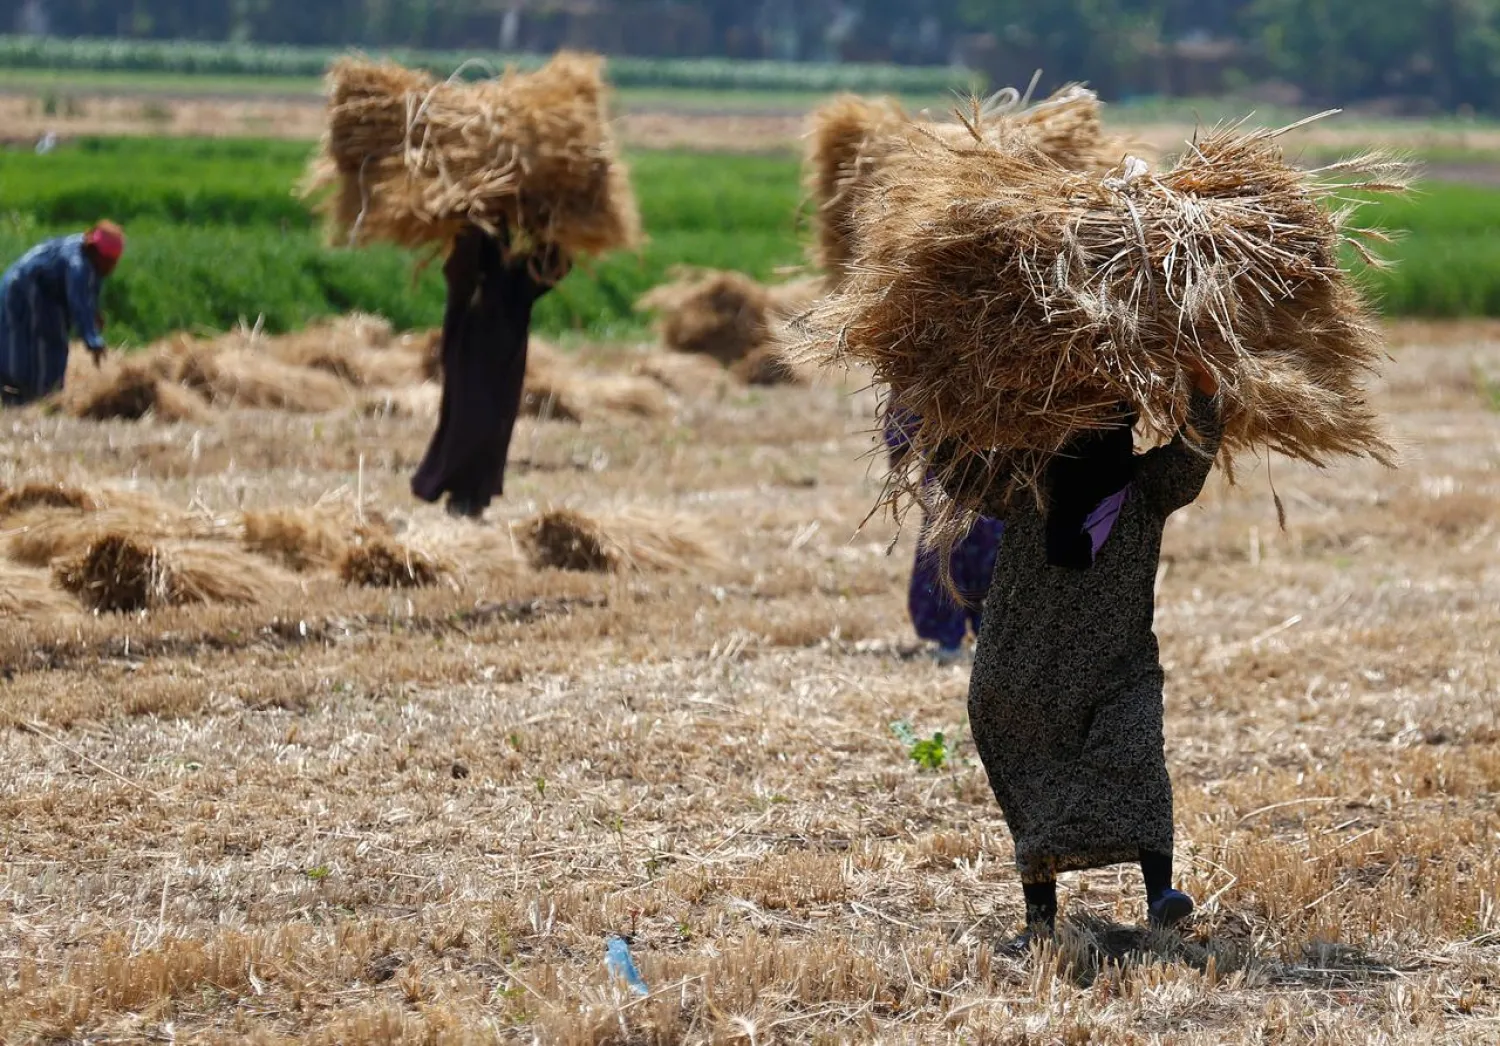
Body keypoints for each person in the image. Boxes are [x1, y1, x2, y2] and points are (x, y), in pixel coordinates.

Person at [946, 362, 1221, 946]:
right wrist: (936, 395)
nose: (1093, 441)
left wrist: (1202, 385)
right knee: (1036, 787)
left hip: (1115, 668)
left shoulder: (1145, 489)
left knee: (1136, 755)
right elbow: (957, 471)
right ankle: (1040, 919)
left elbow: (1196, 450)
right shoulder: (1028, 485)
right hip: (1022, 670)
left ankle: (1159, 897)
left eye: (1108, 425)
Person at [412, 224, 570, 520]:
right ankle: (461, 493)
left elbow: (549, 270)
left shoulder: (515, 275)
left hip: (501, 355)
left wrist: (553, 235)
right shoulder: (473, 263)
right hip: (471, 350)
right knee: (470, 420)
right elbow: (460, 270)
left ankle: (473, 495)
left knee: (493, 424)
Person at [884, 403, 1004, 662]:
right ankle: (955, 637)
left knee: (972, 543)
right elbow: (909, 390)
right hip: (957, 467)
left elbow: (906, 393)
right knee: (954, 541)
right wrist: (900, 441)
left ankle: (983, 636)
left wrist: (898, 443)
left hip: (989, 461)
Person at [0, 221, 124, 407]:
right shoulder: (79, 263)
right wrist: (92, 340)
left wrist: (93, 313)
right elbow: (78, 301)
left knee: (42, 342)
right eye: (110, 262)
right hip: (26, 292)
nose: (112, 268)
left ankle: (38, 395)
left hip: (31, 292)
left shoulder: (86, 257)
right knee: (42, 343)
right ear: (100, 255)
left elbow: (87, 294)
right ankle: (36, 398)